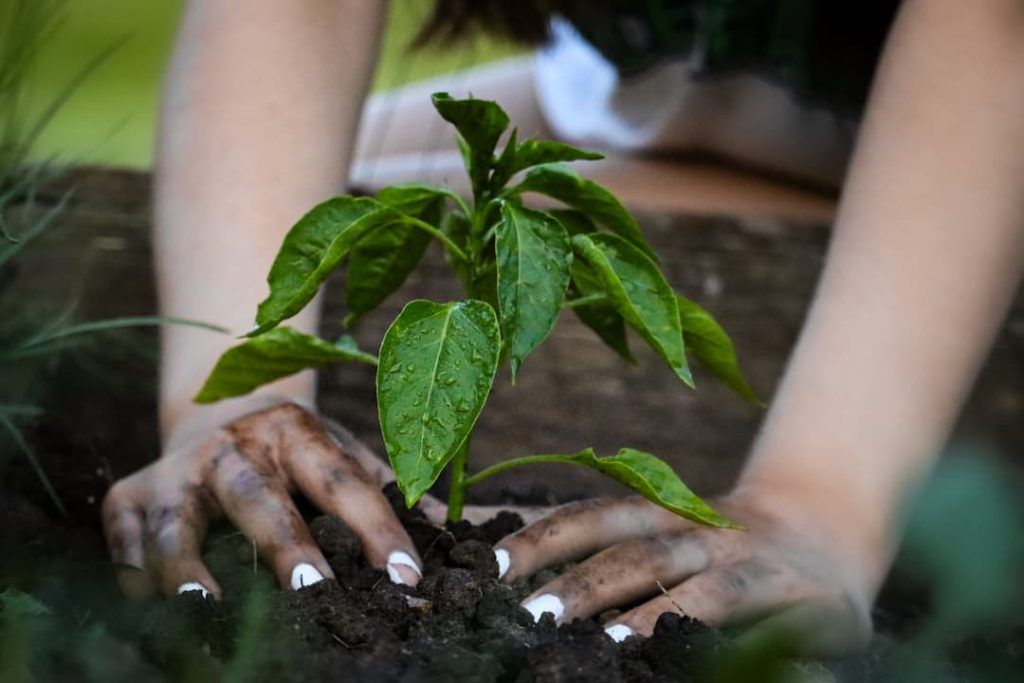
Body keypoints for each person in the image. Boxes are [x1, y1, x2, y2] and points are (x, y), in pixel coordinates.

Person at [100, 0, 1024, 656]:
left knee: (482, 218)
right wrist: (235, 395)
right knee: (357, 197)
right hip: (655, 93)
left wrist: (822, 499)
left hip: (948, 127)